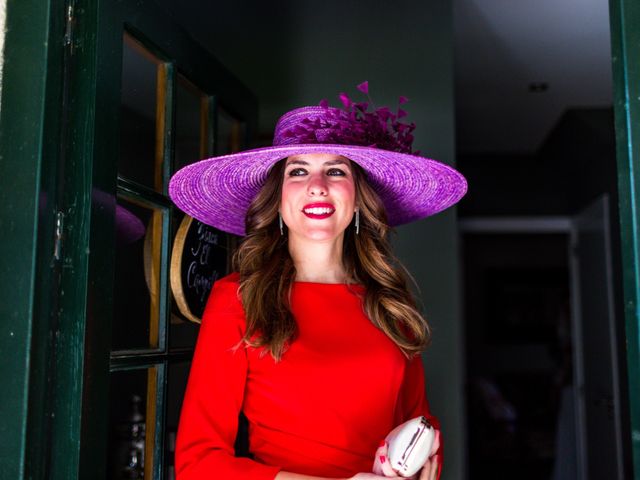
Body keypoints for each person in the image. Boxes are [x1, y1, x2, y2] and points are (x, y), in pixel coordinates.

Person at [168, 83, 467, 480]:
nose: (317, 185)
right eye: (298, 171)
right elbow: (198, 464)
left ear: (359, 198)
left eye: (336, 170)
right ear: (277, 199)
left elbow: (421, 428)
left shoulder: (391, 304)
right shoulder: (237, 299)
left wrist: (421, 466)